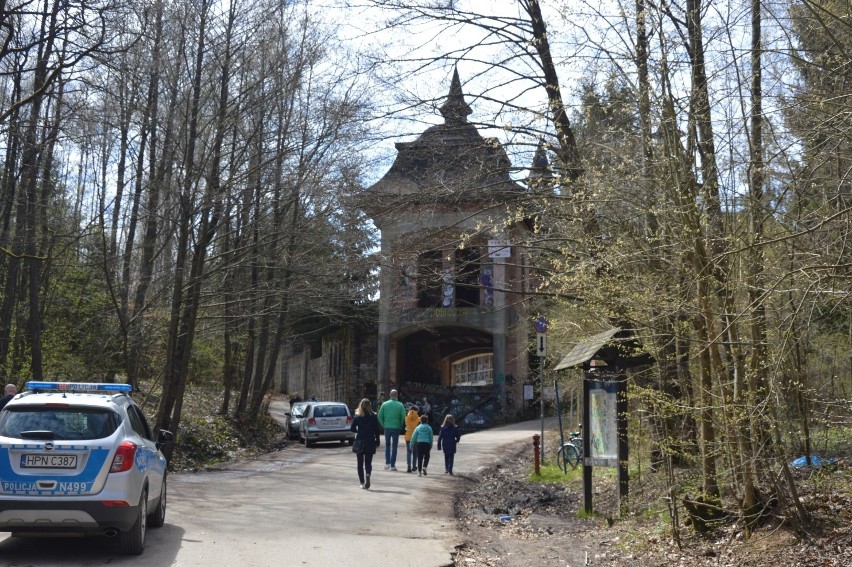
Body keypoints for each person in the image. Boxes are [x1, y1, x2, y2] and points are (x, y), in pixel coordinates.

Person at [350, 398, 381, 489]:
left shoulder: (357, 416)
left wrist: (359, 431)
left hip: (360, 441)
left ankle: (362, 483)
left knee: (360, 463)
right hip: (370, 441)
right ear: (370, 406)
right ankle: (368, 474)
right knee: (368, 462)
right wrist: (377, 441)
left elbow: (352, 429)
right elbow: (377, 430)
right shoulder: (374, 416)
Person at [376, 389, 406, 471]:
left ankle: (387, 463)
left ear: (390, 395)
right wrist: (400, 425)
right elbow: (403, 416)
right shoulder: (400, 405)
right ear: (397, 396)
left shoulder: (384, 404)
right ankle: (393, 465)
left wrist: (383, 424)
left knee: (387, 445)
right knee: (394, 447)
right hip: (396, 428)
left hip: (387, 427)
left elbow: (379, 416)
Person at [404, 405, 421, 473]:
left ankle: (409, 466)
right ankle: (414, 466)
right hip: (416, 437)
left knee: (409, 452)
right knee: (415, 452)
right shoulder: (418, 419)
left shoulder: (406, 418)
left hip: (408, 437)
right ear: (416, 411)